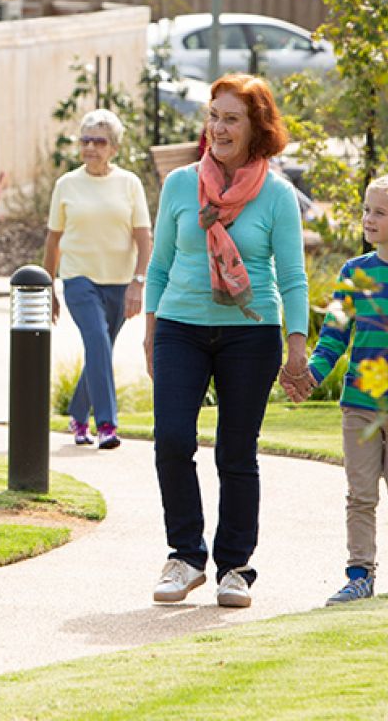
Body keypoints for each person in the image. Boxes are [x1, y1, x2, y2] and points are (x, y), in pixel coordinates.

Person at [145, 73, 308, 608]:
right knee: (171, 439)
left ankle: (234, 566)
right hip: (179, 328)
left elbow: (292, 276)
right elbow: (160, 264)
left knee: (237, 453)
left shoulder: (278, 196)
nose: (218, 127)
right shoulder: (179, 185)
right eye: (213, 115)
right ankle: (186, 556)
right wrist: (150, 331)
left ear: (256, 127)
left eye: (231, 118)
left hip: (251, 333)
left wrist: (296, 345)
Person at [283, 174, 388, 606]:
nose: (368, 218)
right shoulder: (355, 274)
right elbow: (333, 337)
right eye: (366, 209)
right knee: (360, 496)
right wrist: (309, 374)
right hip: (360, 408)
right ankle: (359, 574)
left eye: (379, 212)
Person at [43, 109, 151, 450]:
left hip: (120, 282)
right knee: (98, 342)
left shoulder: (130, 184)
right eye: (85, 140)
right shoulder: (67, 185)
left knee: (99, 350)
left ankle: (78, 415)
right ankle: (106, 424)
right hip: (78, 279)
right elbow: (52, 240)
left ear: (114, 147)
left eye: (99, 141)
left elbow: (144, 237)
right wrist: (49, 289)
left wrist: (138, 281)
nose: (90, 148)